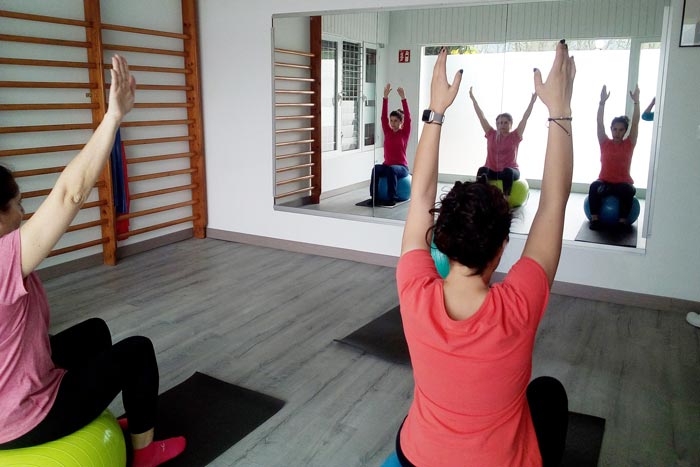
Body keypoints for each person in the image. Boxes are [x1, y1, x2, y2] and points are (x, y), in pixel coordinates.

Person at [395, 41, 575, 466]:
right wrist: (560, 110)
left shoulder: (414, 290)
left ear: (442, 241)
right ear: (501, 250)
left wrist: (436, 111)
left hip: (417, 456)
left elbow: (419, 197)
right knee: (548, 395)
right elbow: (554, 201)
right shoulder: (519, 305)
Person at [0, 56, 185, 467]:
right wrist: (113, 117)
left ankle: (97, 408)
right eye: (16, 206)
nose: (23, 214)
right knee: (136, 351)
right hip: (19, 420)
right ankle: (145, 454)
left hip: (7, 393)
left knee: (95, 332)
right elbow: (70, 193)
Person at [589, 84, 641, 231]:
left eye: (621, 130)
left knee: (629, 191)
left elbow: (636, 123)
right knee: (594, 187)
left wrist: (636, 102)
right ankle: (595, 219)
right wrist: (602, 102)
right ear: (611, 130)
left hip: (622, 184)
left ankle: (622, 222)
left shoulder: (629, 143)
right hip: (604, 182)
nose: (617, 132)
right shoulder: (604, 142)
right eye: (614, 129)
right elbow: (599, 123)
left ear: (625, 131)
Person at [469, 86, 537, 198]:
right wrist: (473, 99)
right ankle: (478, 198)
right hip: (492, 170)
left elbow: (525, 118)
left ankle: (505, 200)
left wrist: (532, 102)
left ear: (511, 124)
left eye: (505, 123)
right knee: (482, 170)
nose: (502, 125)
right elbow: (481, 117)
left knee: (508, 172)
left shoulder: (515, 135)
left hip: (510, 171)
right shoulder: (491, 134)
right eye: (499, 123)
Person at [371, 83, 411, 206]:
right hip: (387, 166)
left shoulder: (404, 133)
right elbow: (383, 117)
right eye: (391, 121)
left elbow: (408, 118)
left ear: (400, 122)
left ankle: (391, 198)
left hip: (401, 168)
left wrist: (403, 98)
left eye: (396, 121)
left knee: (392, 170)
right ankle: (374, 197)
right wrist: (385, 98)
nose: (393, 123)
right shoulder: (387, 132)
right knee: (376, 169)